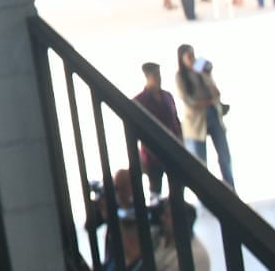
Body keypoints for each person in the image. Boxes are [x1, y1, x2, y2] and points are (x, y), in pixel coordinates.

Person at [89, 169, 209, 271]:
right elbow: (130, 251)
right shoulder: (160, 235)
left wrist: (111, 217)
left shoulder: (195, 255)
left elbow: (133, 254)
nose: (162, 218)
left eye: (167, 216)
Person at [175, 44, 234, 189]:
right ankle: (205, 191)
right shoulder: (180, 76)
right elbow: (186, 99)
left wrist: (206, 74)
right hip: (196, 121)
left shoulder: (201, 70)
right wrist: (202, 102)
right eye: (189, 56)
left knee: (224, 155)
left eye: (193, 55)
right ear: (182, 59)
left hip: (213, 114)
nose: (192, 59)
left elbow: (216, 93)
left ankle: (230, 187)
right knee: (200, 160)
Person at [132, 63, 183, 202]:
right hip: (152, 154)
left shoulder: (167, 96)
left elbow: (175, 121)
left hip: (173, 151)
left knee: (177, 188)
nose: (158, 78)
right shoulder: (139, 101)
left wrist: (181, 142)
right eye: (155, 75)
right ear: (147, 77)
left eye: (159, 75)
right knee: (155, 191)